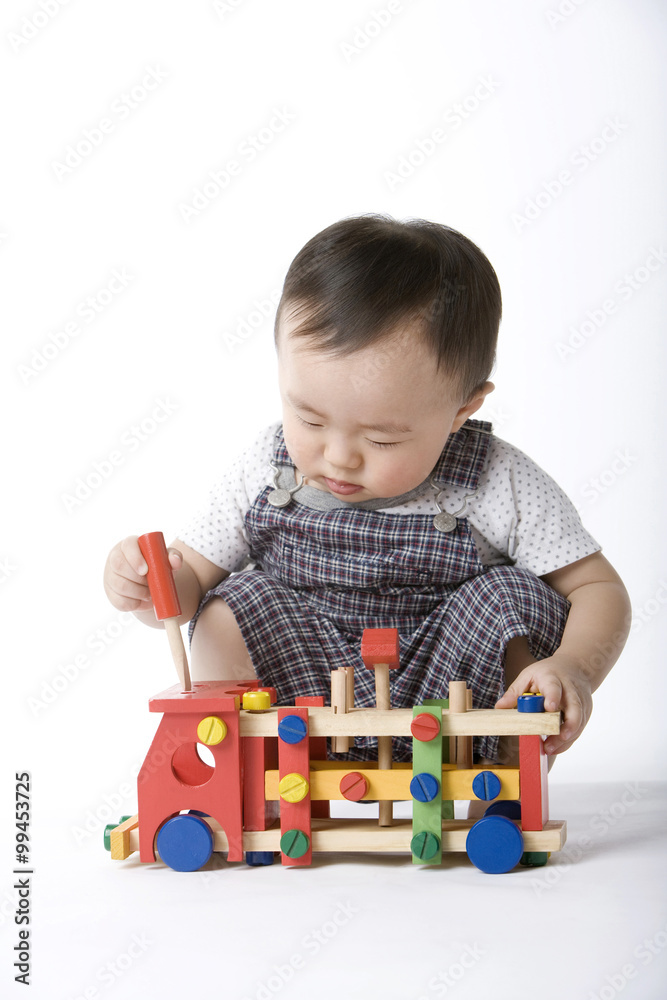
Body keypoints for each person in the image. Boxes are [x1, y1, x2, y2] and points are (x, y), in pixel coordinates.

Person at [103, 214, 630, 767]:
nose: (339, 455)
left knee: (512, 597)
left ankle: (499, 772)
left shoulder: (497, 480)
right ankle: (260, 773)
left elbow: (598, 589)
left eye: (381, 438)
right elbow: (187, 583)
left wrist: (574, 666)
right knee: (224, 608)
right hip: (306, 697)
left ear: (462, 409)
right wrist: (149, 583)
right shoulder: (264, 468)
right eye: (308, 419)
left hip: (452, 689)